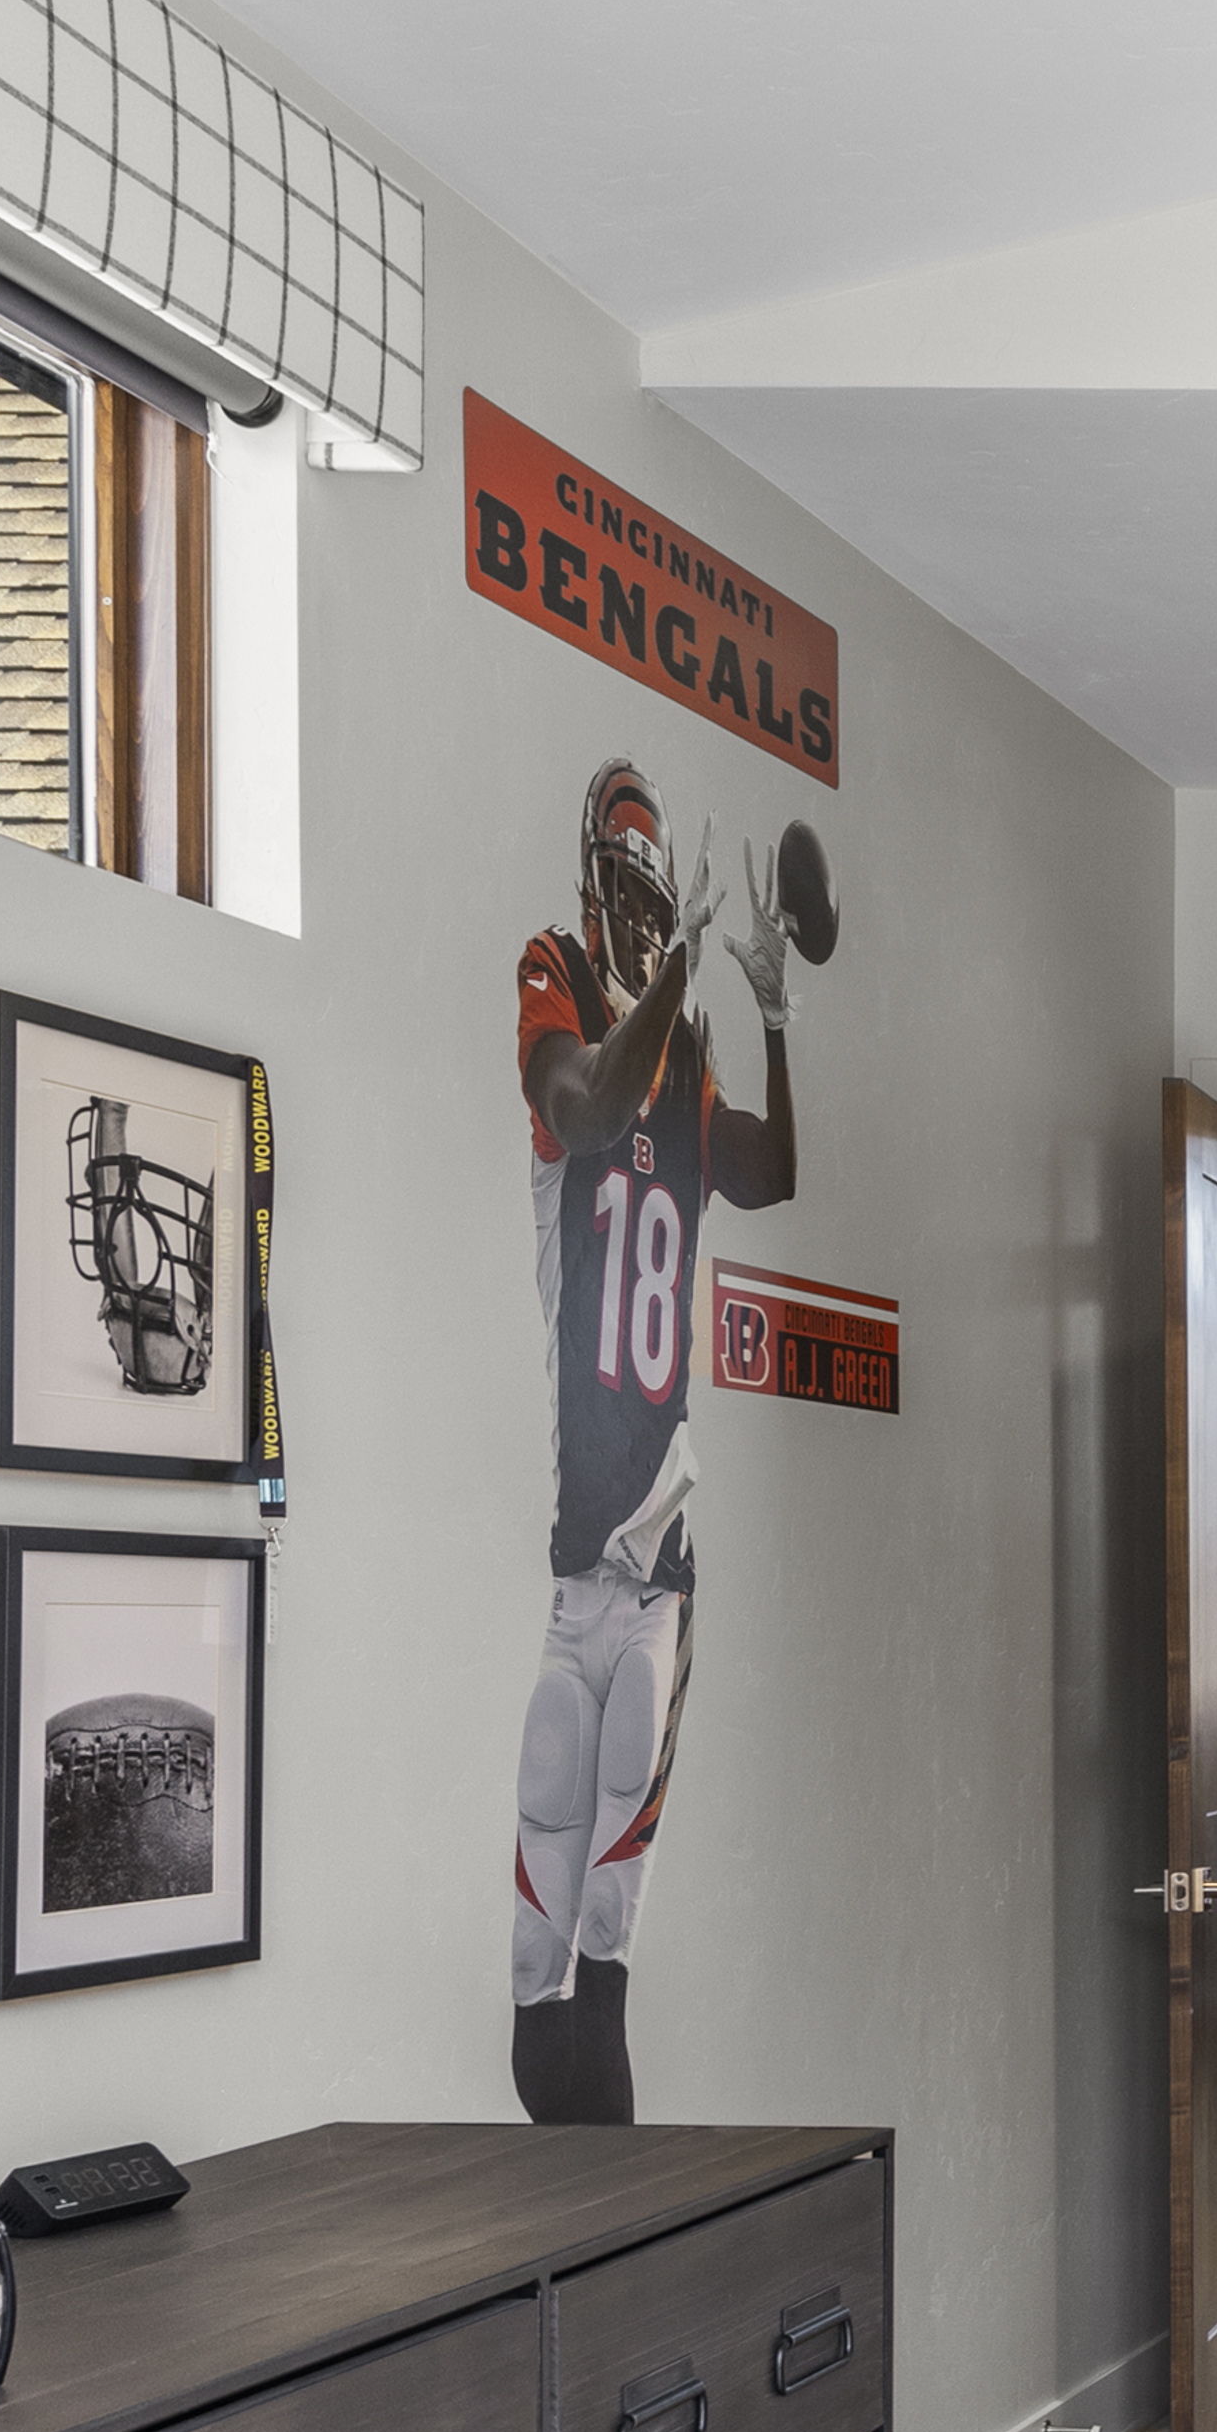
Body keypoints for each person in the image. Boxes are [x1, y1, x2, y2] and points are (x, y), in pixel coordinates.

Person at [512, 754, 792, 2121]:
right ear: (592, 888)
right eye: (622, 887)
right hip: (578, 1562)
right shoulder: (563, 978)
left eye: (651, 893)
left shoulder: (680, 1045)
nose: (634, 912)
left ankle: (613, 2256)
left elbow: (771, 1171)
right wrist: (671, 973)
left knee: (606, 1956)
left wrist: (773, 1014)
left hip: (660, 1556)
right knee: (530, 1979)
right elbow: (584, 1108)